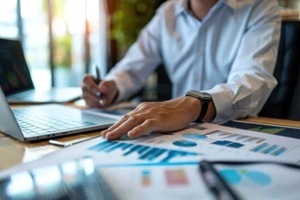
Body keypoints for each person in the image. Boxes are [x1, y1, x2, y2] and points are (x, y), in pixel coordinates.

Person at [81, 0, 281, 140]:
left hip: (235, 132)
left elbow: (252, 78)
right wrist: (110, 87)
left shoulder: (260, 7)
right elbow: (132, 67)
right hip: (173, 131)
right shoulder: (167, 13)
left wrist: (194, 105)